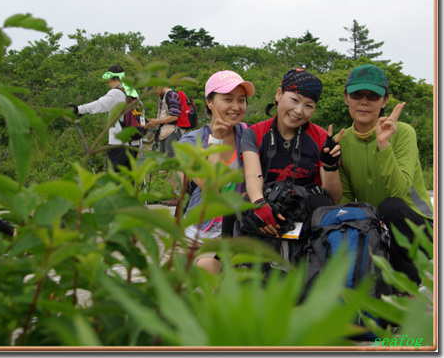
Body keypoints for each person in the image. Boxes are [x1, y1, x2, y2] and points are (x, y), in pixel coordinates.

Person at [338, 64, 433, 287]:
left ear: (384, 101)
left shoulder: (403, 132)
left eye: (373, 96)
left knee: (391, 206)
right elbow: (344, 199)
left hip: (418, 227)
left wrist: (383, 145)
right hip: (375, 226)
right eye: (357, 94)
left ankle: (408, 286)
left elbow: (399, 192)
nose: (364, 101)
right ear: (346, 98)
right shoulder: (342, 141)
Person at [238, 69, 343, 261]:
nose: (299, 111)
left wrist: (331, 165)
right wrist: (260, 204)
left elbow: (334, 197)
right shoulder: (254, 133)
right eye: (294, 100)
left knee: (323, 205)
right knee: (236, 209)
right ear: (279, 95)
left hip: (305, 208)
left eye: (308, 105)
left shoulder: (320, 138)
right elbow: (253, 175)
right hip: (267, 202)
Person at [179, 70, 255, 274]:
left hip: (232, 232)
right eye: (228, 99)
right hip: (194, 233)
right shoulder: (189, 141)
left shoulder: (250, 136)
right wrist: (215, 140)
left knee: (208, 270)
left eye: (241, 100)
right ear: (210, 102)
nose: (236, 107)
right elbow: (209, 186)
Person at [68, 65, 140, 172]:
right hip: (134, 143)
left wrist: (78, 109)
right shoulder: (132, 92)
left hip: (118, 145)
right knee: (128, 180)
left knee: (114, 179)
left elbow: (99, 105)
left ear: (110, 80)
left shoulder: (115, 93)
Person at [146, 86, 183, 205]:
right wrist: (155, 122)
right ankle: (176, 194)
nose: (154, 93)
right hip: (165, 133)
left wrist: (157, 122)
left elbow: (174, 116)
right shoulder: (163, 97)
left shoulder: (171, 95)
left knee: (174, 164)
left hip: (172, 132)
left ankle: (180, 195)